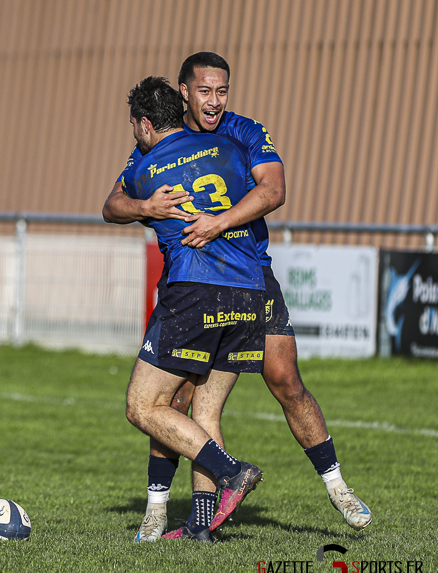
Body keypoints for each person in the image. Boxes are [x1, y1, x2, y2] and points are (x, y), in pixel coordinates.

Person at [109, 52, 372, 541]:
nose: (215, 101)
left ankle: (336, 487)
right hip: (220, 281)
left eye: (222, 91)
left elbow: (273, 190)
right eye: (205, 91)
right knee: (189, 401)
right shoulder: (159, 145)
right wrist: (145, 205)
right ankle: (174, 515)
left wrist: (218, 222)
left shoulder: (243, 132)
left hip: (240, 274)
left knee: (283, 380)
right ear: (184, 93)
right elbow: (116, 201)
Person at [104, 76, 266, 542]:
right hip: (250, 291)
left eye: (135, 126)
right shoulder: (230, 148)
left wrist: (143, 205)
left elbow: (109, 208)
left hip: (195, 289)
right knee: (205, 410)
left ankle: (231, 471)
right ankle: (201, 524)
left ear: (146, 124)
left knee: (142, 406)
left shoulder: (146, 166)